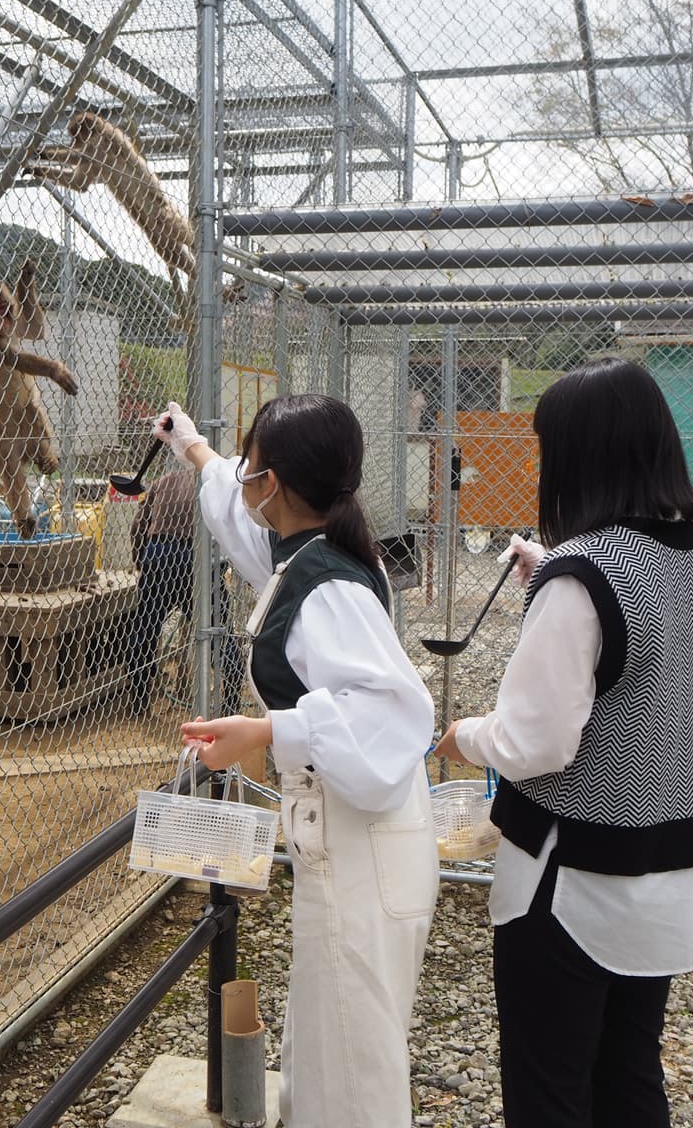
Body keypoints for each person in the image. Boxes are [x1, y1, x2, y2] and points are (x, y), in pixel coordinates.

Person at [433, 357, 693, 1128]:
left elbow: (535, 742)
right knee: (629, 1075)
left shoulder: (580, 575)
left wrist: (462, 737)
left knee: (550, 1089)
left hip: (574, 884)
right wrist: (554, 576)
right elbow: (637, 637)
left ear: (580, 456)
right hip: (667, 872)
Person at [155, 393, 437, 1128]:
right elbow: (231, 507)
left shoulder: (329, 590)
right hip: (349, 835)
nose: (241, 477)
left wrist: (266, 731)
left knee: (352, 1064)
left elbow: (394, 715)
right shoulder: (307, 554)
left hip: (363, 841)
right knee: (329, 1040)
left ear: (273, 483)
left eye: (250, 465)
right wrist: (191, 445)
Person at [124, 465, 245, 715]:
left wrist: (140, 560)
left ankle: (139, 698)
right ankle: (232, 700)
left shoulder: (165, 480)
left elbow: (138, 525)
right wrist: (222, 566)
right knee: (219, 630)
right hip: (198, 558)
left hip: (160, 553)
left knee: (145, 627)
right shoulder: (217, 483)